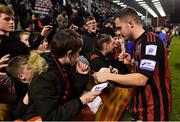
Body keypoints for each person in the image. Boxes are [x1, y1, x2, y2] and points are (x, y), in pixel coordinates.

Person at [93, 7, 171, 121]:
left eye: (119, 28)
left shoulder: (150, 41)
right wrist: (130, 64)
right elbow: (140, 74)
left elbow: (142, 79)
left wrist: (108, 76)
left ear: (130, 23)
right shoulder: (137, 42)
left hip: (154, 109)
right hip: (141, 106)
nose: (118, 32)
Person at [23, 29, 101, 120]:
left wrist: (81, 75)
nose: (78, 56)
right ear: (68, 54)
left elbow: (71, 93)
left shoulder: (62, 64)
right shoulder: (44, 76)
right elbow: (50, 117)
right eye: (78, 52)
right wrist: (82, 100)